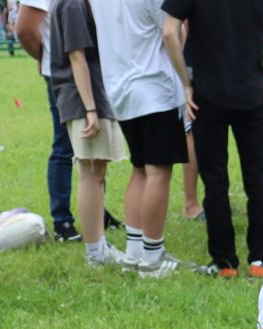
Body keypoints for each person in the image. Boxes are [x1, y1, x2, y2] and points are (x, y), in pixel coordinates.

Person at [160, 0, 263, 279]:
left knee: (215, 182)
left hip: (207, 93)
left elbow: (169, 32)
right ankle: (262, 260)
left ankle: (224, 262)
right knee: (257, 180)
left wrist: (185, 82)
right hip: (250, 94)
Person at [87, 0, 185, 275]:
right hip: (155, 85)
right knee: (158, 172)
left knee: (141, 168)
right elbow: (171, 31)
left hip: (119, 86)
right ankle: (152, 257)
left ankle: (135, 251)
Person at [47, 0, 128, 267]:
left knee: (94, 171)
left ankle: (98, 246)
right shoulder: (71, 4)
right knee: (91, 172)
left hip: (87, 95)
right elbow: (76, 56)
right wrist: (90, 108)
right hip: (84, 97)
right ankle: (96, 252)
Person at [14, 0, 84, 242]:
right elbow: (24, 29)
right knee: (65, 146)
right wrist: (49, 58)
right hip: (63, 73)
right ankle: (62, 221)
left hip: (86, 67)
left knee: (91, 144)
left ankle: (95, 211)